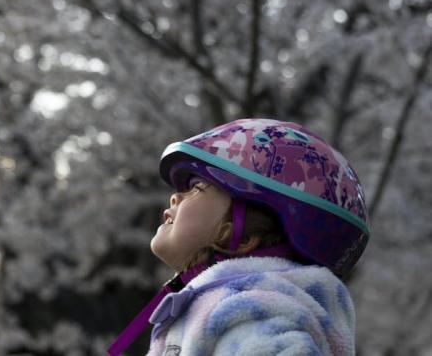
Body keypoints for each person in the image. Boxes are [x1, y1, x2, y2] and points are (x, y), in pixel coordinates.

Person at [108, 118, 369, 356]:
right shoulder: (219, 305)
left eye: (196, 188)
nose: (175, 196)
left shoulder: (251, 309)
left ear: (241, 239)